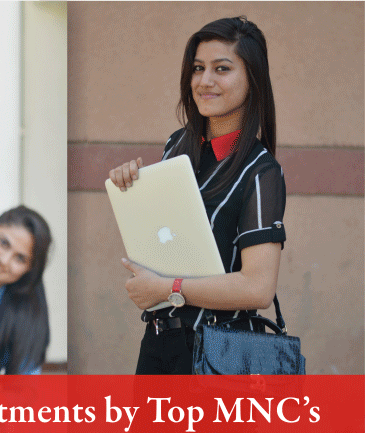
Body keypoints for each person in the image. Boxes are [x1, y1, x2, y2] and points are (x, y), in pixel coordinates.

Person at [108, 16, 286, 375]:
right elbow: (167, 242)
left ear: (252, 79)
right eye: (198, 68)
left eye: (222, 69)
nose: (205, 81)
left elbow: (258, 288)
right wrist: (131, 188)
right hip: (159, 341)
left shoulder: (261, 171)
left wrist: (168, 288)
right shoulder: (177, 145)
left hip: (221, 353)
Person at [0, 206, 53, 375]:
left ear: (29, 269)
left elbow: (25, 387)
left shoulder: (22, 316)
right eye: (3, 243)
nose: (4, 260)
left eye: (20, 258)